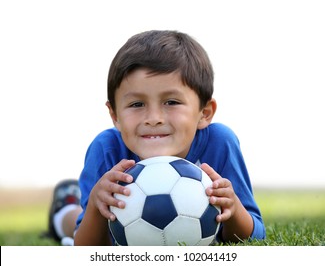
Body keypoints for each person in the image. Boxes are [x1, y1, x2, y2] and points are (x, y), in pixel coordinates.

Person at [47, 30, 266, 245]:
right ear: (115, 115)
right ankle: (64, 209)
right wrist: (95, 205)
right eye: (136, 104)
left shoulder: (220, 143)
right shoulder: (107, 149)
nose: (153, 118)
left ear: (205, 112)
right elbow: (86, 247)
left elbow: (254, 235)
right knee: (72, 220)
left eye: (171, 102)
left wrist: (233, 208)